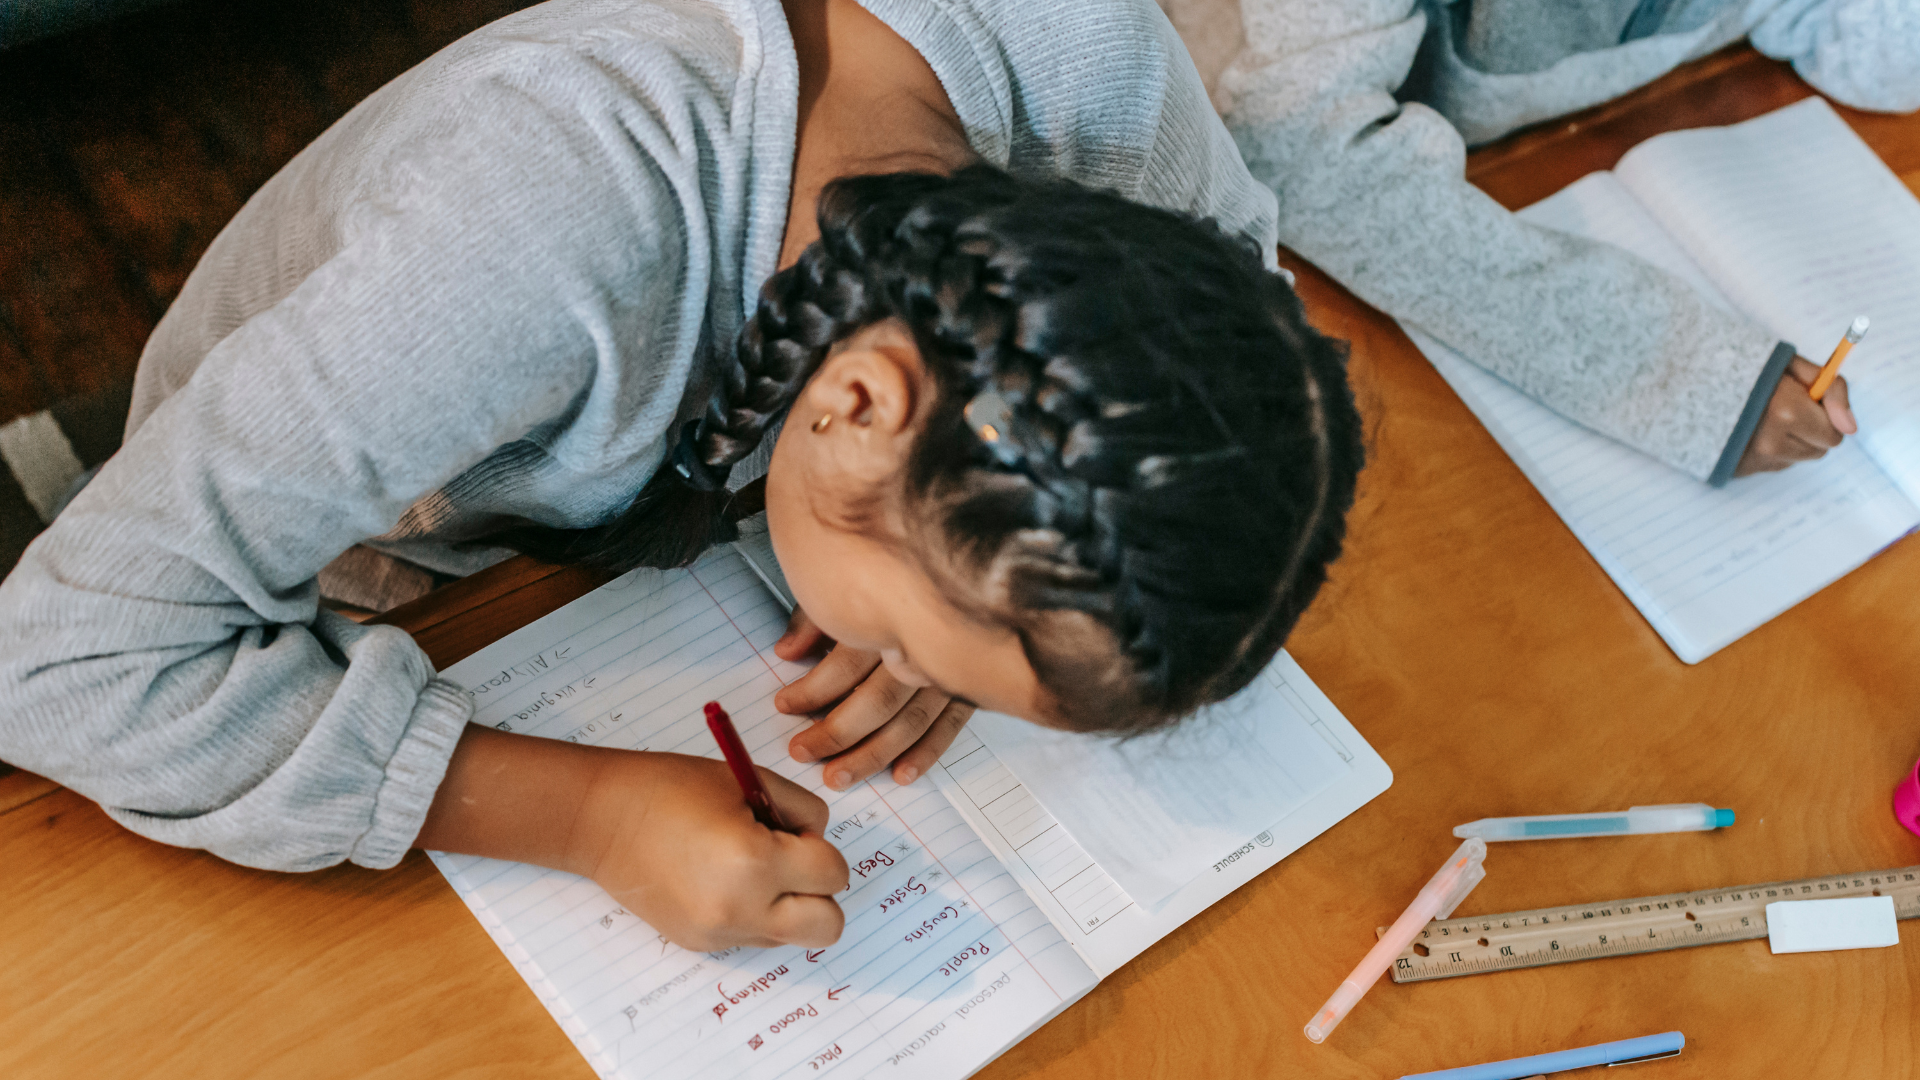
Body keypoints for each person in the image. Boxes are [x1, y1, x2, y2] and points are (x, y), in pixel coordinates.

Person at [0, 0, 1359, 951]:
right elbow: (59, 655)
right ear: (860, 404)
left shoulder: (1095, 70)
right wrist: (585, 816)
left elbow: (1237, 273)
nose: (910, 684)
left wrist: (965, 601)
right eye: (907, 645)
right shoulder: (526, 247)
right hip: (378, 532)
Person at [1216, 0, 1918, 486]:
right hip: (1360, 277)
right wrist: (1672, 371)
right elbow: (1295, 142)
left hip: (1622, 132)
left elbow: (1853, 39)